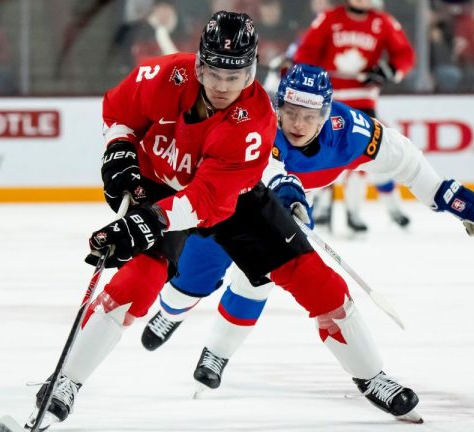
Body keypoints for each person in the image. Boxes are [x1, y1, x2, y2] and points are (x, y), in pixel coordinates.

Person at [25, 12, 423, 430]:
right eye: (214, 72)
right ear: (198, 64)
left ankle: (372, 376)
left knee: (316, 280)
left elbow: (205, 201)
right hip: (160, 184)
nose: (222, 85)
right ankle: (64, 382)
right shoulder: (161, 75)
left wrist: (145, 223)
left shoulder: (255, 123)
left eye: (234, 76)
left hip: (231, 198)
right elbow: (119, 110)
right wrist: (119, 152)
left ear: (250, 72)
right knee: (137, 283)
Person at [141, 64, 474, 397]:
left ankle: (215, 354)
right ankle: (171, 312)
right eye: (291, 113)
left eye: (309, 116)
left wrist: (444, 195)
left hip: (280, 204)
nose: (297, 124)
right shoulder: (255, 121)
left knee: (259, 277)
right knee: (193, 279)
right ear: (279, 108)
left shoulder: (352, 133)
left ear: (325, 116)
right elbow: (269, 168)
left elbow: (404, 158)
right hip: (229, 200)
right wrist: (287, 192)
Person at [293, 0, 416, 233]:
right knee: (322, 151)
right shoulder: (329, 19)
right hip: (330, 100)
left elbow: (405, 54)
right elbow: (306, 52)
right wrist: (308, 76)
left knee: (364, 154)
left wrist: (390, 69)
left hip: (363, 99)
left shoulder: (383, 23)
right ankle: (321, 206)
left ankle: (354, 211)